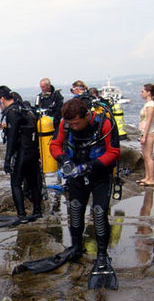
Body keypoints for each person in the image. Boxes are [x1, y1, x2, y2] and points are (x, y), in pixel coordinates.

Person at [50, 98, 120, 289]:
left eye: (76, 123)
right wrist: (63, 159)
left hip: (100, 175)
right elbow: (54, 145)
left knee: (98, 212)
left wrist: (89, 166)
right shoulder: (65, 125)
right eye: (70, 123)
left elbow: (113, 152)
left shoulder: (104, 124)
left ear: (87, 116)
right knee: (75, 209)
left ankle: (102, 255)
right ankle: (76, 246)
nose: (73, 127)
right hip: (76, 174)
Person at [0, 85, 43, 222]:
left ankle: (22, 215)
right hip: (33, 151)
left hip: (22, 152)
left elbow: (12, 139)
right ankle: (37, 211)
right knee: (33, 182)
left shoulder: (12, 112)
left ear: (1, 99)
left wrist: (7, 160)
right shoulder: (23, 109)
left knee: (16, 183)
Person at [137, 83, 154, 186]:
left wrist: (145, 135)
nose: (141, 93)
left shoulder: (151, 105)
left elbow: (149, 121)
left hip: (149, 133)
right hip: (145, 133)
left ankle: (151, 179)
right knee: (145, 156)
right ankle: (147, 177)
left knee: (148, 157)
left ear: (148, 93)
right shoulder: (147, 104)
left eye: (143, 91)